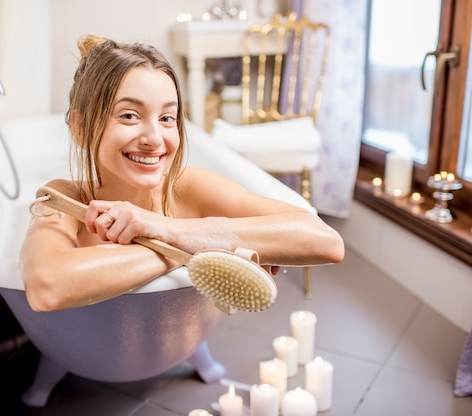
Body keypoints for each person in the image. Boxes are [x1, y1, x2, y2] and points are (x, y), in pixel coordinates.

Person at [20, 35, 344, 312]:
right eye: (130, 115)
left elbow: (325, 241)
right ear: (80, 127)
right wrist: (192, 250)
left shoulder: (187, 187)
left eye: (167, 118)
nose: (154, 139)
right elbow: (46, 286)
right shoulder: (65, 198)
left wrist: (168, 228)